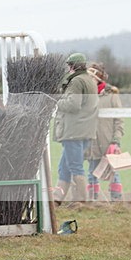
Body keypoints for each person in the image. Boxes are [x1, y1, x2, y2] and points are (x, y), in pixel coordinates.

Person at [53, 53, 98, 206]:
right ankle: (57, 199)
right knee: (64, 168)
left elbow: (73, 105)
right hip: (84, 130)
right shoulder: (88, 80)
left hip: (73, 131)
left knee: (75, 166)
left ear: (72, 66)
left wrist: (55, 100)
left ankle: (81, 201)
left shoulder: (77, 81)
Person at [86, 62, 125, 200]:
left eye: (91, 76)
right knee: (92, 171)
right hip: (91, 142)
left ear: (98, 78)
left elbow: (119, 121)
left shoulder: (112, 96)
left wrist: (116, 141)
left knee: (113, 172)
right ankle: (92, 200)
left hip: (108, 142)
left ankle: (116, 200)